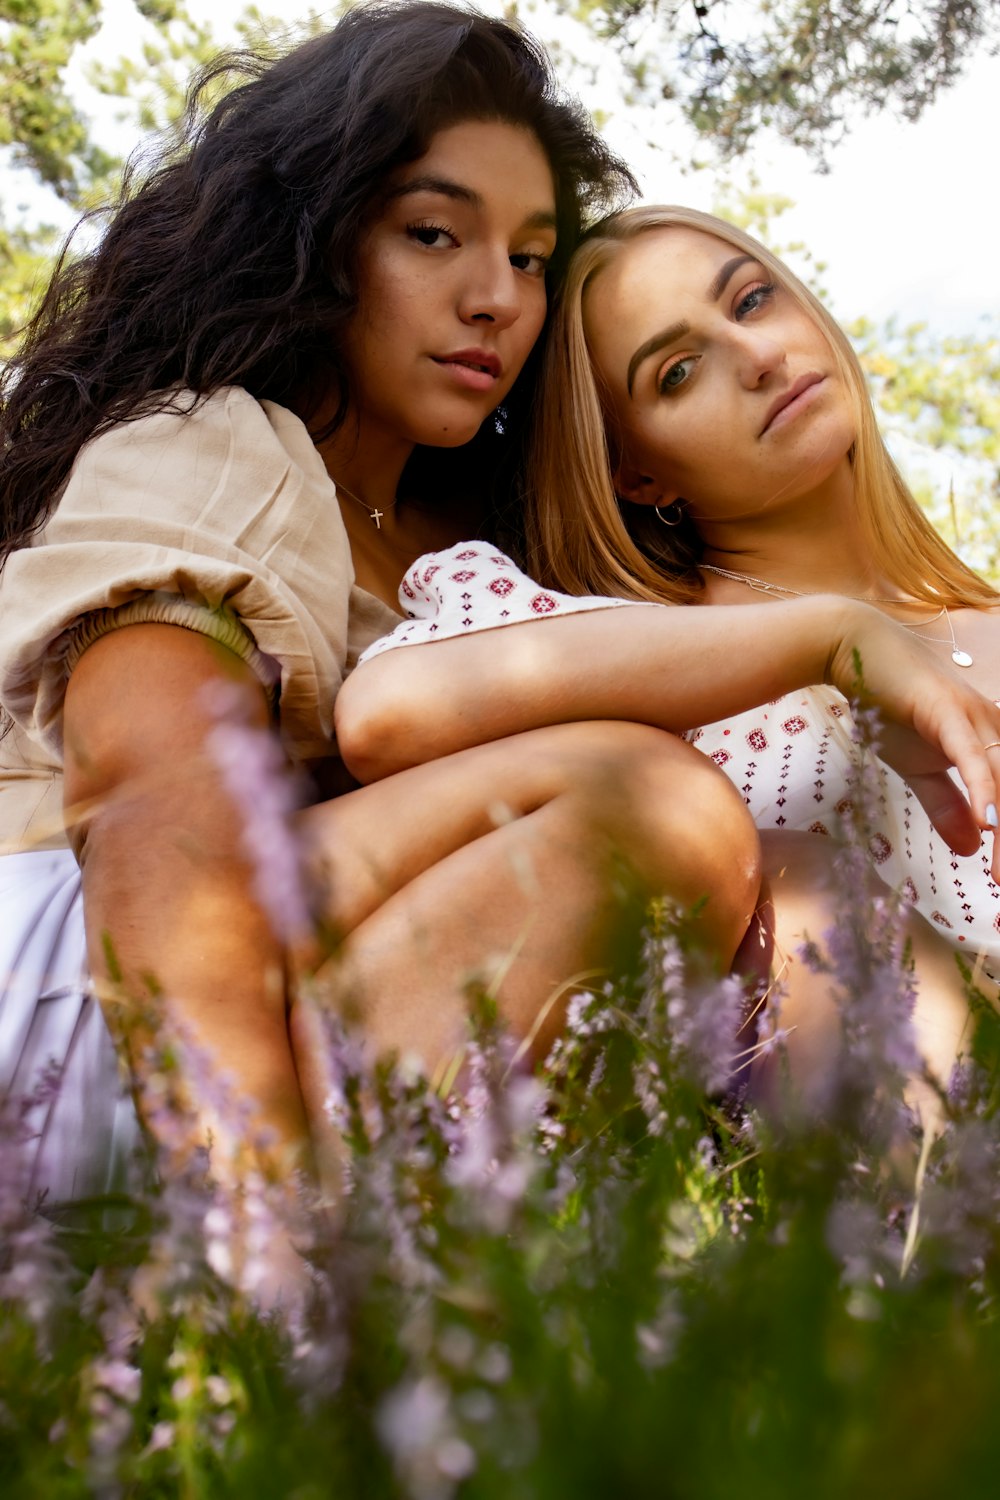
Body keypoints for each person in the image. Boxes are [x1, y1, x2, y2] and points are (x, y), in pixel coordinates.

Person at [0, 5, 765, 1210]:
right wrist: (254, 1214)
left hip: (234, 1013)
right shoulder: (222, 446)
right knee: (648, 803)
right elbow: (157, 808)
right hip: (88, 982)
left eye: (526, 257)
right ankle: (255, 1303)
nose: (495, 299)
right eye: (431, 234)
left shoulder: (461, 544)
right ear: (312, 240)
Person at [334, 206, 1000, 1108]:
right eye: (679, 372)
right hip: (879, 1159)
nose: (756, 355)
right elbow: (389, 707)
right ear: (636, 474)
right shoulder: (640, 648)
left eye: (754, 300)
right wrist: (827, 639)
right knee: (799, 875)